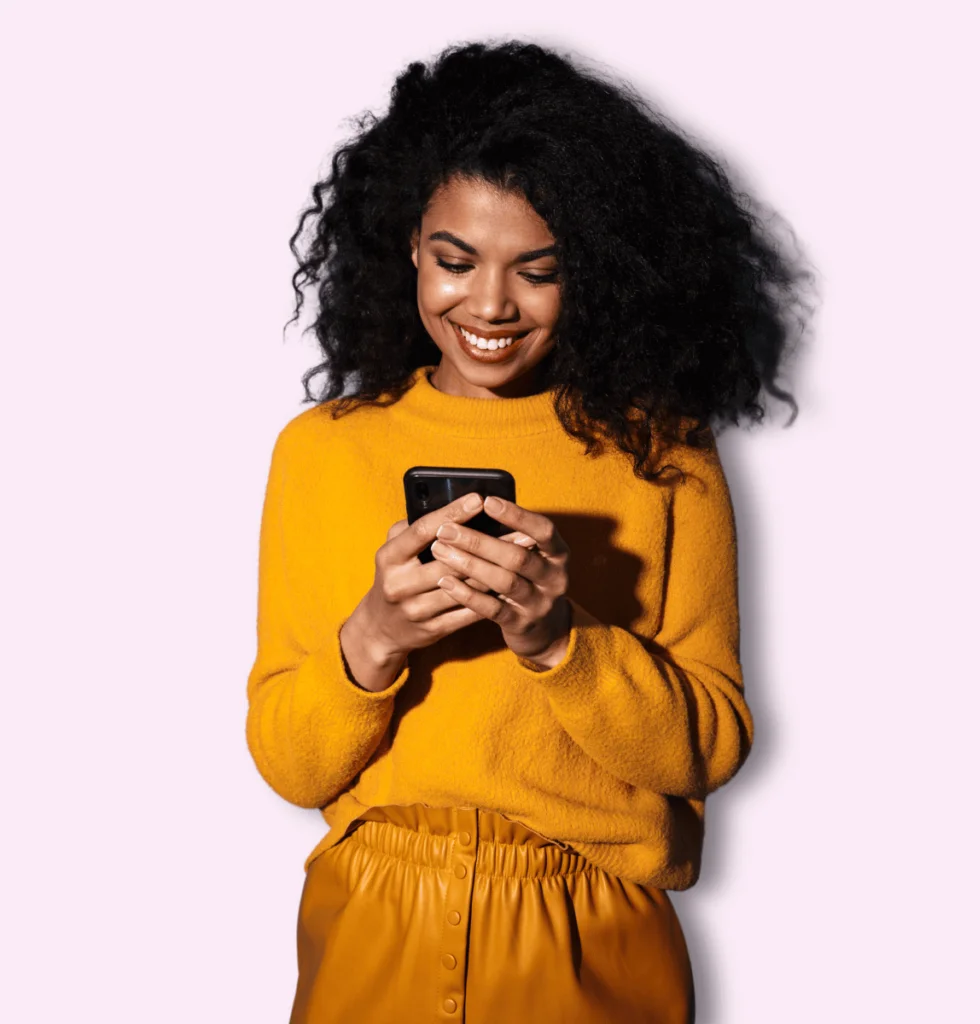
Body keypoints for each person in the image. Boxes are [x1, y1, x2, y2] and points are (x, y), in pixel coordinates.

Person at [245, 39, 808, 1024]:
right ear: (409, 247)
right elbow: (291, 766)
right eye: (455, 260)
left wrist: (562, 640)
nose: (490, 305)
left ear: (591, 269)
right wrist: (372, 639)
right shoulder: (322, 451)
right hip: (375, 918)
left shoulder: (660, 456)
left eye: (537, 271)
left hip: (588, 934)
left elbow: (707, 747)